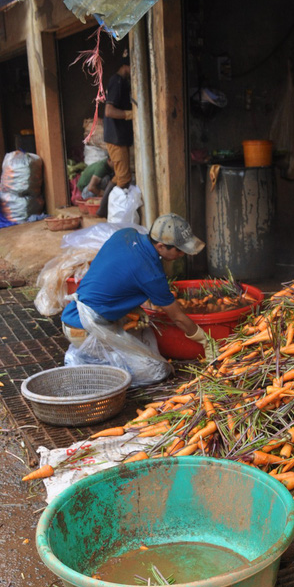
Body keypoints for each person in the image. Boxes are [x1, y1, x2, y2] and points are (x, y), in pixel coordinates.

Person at [61, 213, 214, 384]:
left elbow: (115, 274)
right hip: (85, 327)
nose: (182, 254)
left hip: (76, 312)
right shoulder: (151, 273)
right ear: (162, 246)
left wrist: (134, 309)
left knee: (145, 335)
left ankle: (96, 359)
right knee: (156, 370)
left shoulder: (126, 234)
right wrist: (205, 340)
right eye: (179, 250)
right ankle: (89, 372)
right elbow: (177, 317)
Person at [102, 47, 133, 191]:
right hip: (115, 137)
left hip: (119, 136)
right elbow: (109, 111)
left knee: (120, 176)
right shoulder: (117, 81)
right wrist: (130, 114)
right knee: (124, 178)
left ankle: (105, 209)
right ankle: (112, 210)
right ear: (127, 65)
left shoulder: (122, 83)